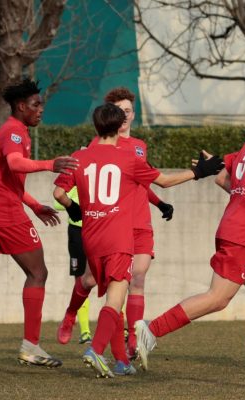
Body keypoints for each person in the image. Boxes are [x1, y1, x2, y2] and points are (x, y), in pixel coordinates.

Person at [135, 98, 245, 389]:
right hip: (241, 233)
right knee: (218, 298)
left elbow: (221, 177)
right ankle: (151, 329)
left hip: (241, 230)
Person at [53, 103, 223, 378]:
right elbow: (165, 181)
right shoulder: (128, 158)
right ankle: (96, 349)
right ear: (119, 126)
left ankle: (121, 360)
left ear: (95, 127)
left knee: (106, 294)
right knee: (115, 299)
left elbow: (59, 194)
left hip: (91, 237)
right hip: (118, 238)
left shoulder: (79, 157)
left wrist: (77, 210)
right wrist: (199, 172)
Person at [57, 87, 174, 358]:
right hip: (110, 224)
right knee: (89, 280)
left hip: (139, 222)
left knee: (138, 277)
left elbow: (140, 181)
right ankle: (72, 314)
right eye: (119, 111)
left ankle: (132, 339)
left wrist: (159, 203)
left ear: (133, 115)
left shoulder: (139, 147)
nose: (124, 116)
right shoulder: (98, 145)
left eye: (128, 111)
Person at [0, 78, 79, 368]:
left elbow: (9, 181)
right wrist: (50, 164)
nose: (40, 109)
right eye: (36, 104)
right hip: (4, 214)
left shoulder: (9, 130)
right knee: (38, 273)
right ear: (21, 106)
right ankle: (30, 347)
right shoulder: (15, 133)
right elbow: (16, 164)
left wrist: (34, 205)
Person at [53, 186, 93, 344]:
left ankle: (122, 331)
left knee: (114, 278)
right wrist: (79, 203)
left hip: (100, 229)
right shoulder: (76, 177)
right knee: (81, 280)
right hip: (77, 231)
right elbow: (57, 201)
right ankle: (85, 332)